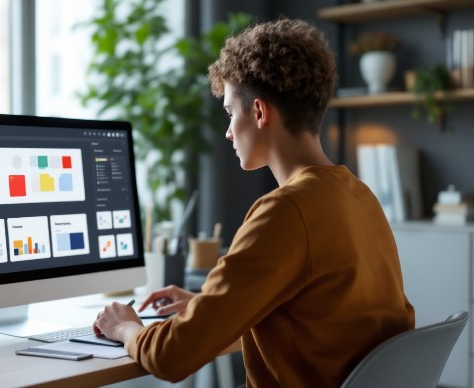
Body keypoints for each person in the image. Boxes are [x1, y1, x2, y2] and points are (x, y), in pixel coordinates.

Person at [93, 17, 415, 387]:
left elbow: (171, 356)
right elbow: (318, 318)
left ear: (260, 113)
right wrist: (207, 307)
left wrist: (125, 328)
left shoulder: (285, 211)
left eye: (231, 112)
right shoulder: (359, 195)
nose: (228, 131)